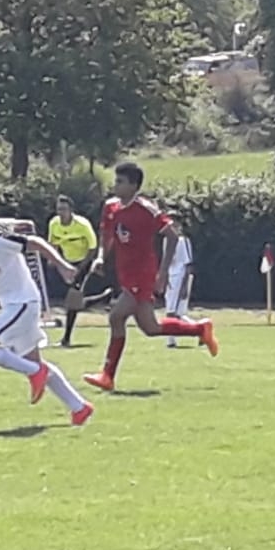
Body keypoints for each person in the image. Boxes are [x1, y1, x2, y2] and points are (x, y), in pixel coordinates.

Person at [84, 162, 218, 392]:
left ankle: (107, 375)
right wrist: (100, 257)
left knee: (116, 317)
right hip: (126, 273)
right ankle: (199, 329)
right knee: (150, 327)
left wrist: (162, 273)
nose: (115, 185)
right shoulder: (110, 207)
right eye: (116, 181)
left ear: (134, 186)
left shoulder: (146, 209)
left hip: (142, 274)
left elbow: (172, 235)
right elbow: (107, 235)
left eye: (120, 182)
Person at [0, 203, 94, 426]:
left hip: (22, 304)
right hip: (14, 306)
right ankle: (79, 407)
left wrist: (62, 265)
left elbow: (35, 242)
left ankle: (35, 372)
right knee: (33, 361)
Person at [46, 195, 99, 347]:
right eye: (58, 209)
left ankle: (66, 339)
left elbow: (93, 247)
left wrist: (81, 268)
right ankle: (102, 298)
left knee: (72, 301)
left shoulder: (82, 224)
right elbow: (53, 244)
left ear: (71, 210)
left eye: (64, 209)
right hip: (66, 262)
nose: (61, 213)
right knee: (70, 300)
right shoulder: (54, 223)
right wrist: (54, 262)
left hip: (83, 262)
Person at [163, 222, 195, 348]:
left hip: (179, 277)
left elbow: (188, 265)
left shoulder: (183, 241)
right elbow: (166, 262)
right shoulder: (166, 241)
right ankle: (201, 329)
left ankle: (170, 340)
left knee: (172, 312)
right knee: (176, 313)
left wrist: (184, 285)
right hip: (171, 278)